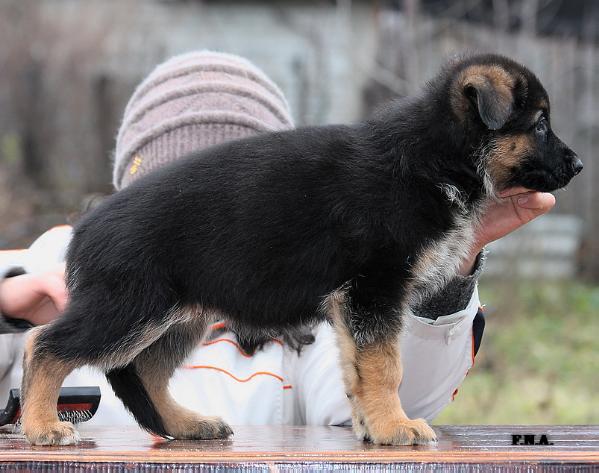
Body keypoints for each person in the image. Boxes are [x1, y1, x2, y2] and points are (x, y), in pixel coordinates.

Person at [0, 51, 555, 429]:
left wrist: (439, 270)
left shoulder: (316, 281)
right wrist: (6, 302)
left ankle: (160, 409)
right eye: (184, 188)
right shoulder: (53, 261)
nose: (217, 225)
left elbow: (401, 403)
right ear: (136, 190)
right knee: (105, 332)